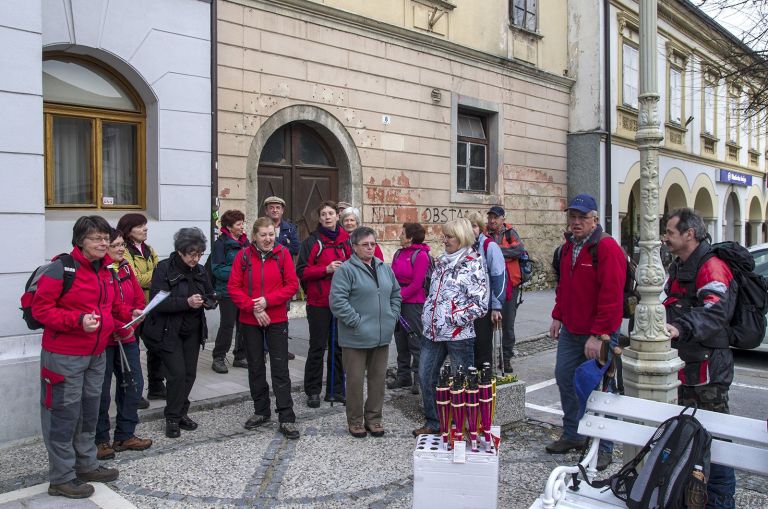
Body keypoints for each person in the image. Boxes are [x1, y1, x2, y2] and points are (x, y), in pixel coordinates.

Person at [33, 216, 137, 499]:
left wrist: (124, 321)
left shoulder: (105, 270)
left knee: (89, 412)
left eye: (106, 238)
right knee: (63, 416)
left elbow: (107, 310)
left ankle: (86, 464)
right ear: (80, 241)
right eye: (96, 238)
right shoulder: (61, 269)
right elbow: (42, 310)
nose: (103, 243)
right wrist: (77, 321)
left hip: (96, 355)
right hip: (64, 356)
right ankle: (61, 478)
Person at [663, 208, 736, 507]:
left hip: (708, 372)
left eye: (670, 232)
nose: (665, 237)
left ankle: (721, 501)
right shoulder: (680, 265)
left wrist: (680, 327)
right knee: (690, 438)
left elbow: (715, 312)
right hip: (689, 367)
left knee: (717, 443)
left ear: (689, 234)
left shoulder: (711, 267)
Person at [547, 194, 625, 472]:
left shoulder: (606, 248)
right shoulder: (569, 247)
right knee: (565, 378)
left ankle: (604, 447)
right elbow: (564, 287)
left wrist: (599, 334)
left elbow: (612, 296)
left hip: (598, 334)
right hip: (572, 329)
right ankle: (574, 434)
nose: (577, 222)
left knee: (601, 389)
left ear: (595, 219)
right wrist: (558, 315)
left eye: (583, 217)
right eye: (573, 216)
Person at [413, 218, 488, 437]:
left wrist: (452, 318)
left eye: (449, 236)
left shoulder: (473, 263)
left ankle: (462, 425)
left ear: (462, 238)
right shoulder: (441, 261)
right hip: (433, 333)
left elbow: (480, 305)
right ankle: (434, 421)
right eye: (444, 236)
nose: (444, 240)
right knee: (425, 376)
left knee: (461, 382)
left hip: (458, 335)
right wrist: (428, 314)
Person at [228, 217, 301, 439]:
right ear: (254, 236)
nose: (268, 239)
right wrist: (254, 307)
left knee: (280, 368)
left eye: (271, 234)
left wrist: (267, 301)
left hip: (276, 319)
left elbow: (292, 285)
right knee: (256, 367)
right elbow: (234, 287)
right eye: (263, 235)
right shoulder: (243, 256)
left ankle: (286, 416)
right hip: (250, 320)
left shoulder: (283, 254)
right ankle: (261, 411)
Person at [141, 228, 217, 439]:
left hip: (193, 331)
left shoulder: (200, 270)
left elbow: (210, 293)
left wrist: (209, 301)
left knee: (190, 374)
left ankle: (182, 412)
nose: (196, 258)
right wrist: (186, 302)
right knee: (177, 374)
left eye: (199, 254)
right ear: (180, 251)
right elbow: (157, 303)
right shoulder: (164, 268)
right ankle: (172, 418)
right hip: (169, 331)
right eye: (191, 254)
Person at [331, 227, 401, 438]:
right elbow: (337, 301)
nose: (370, 248)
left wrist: (391, 316)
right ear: (354, 247)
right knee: (354, 381)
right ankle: (355, 421)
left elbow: (396, 294)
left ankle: (374, 418)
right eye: (365, 244)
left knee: (378, 380)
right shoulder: (346, 270)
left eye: (373, 244)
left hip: (381, 335)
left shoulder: (384, 268)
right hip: (356, 336)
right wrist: (357, 322)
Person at [95, 229, 152, 461]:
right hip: (105, 339)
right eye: (116, 245)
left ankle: (125, 434)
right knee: (101, 391)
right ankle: (100, 439)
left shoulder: (126, 268)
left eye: (122, 245)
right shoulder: (100, 271)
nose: (121, 249)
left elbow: (138, 297)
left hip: (127, 335)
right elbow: (103, 306)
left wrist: (135, 316)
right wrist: (118, 324)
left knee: (133, 384)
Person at [296, 201, 352, 408]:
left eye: (331, 213)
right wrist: (325, 269)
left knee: (339, 348)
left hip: (342, 302)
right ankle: (313, 391)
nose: (327, 217)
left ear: (337, 216)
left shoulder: (348, 241)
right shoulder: (311, 242)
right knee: (317, 347)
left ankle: (335, 390)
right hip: (319, 302)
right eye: (323, 214)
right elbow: (301, 271)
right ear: (319, 218)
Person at [118, 213, 161, 404]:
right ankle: (134, 392)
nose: (145, 229)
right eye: (140, 226)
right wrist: (153, 275)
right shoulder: (124, 251)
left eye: (145, 225)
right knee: (132, 350)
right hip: (132, 309)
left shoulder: (148, 249)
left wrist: (150, 277)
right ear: (128, 230)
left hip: (151, 306)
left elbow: (160, 275)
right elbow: (134, 279)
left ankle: (156, 386)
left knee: (156, 346)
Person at [388, 222, 430, 394]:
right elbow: (391, 276)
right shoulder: (398, 253)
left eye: (402, 233)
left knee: (415, 342)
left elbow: (417, 284)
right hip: (399, 302)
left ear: (410, 237)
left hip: (414, 304)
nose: (400, 236)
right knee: (401, 340)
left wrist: (399, 296)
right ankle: (403, 376)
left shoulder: (421, 256)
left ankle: (419, 379)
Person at [486, 205, 526, 372]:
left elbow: (518, 250)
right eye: (490, 217)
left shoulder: (510, 233)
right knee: (487, 326)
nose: (492, 220)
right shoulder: (484, 234)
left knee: (508, 325)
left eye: (495, 217)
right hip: (489, 285)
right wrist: (504, 253)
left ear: (503, 219)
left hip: (510, 285)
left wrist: (494, 251)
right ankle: (487, 360)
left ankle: (506, 359)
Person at [210, 209, 249, 374]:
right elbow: (217, 269)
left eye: (242, 223)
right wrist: (240, 272)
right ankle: (218, 357)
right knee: (227, 325)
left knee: (244, 324)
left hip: (244, 291)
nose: (242, 227)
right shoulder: (220, 244)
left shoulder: (245, 242)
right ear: (229, 226)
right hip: (227, 292)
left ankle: (240, 356)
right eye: (238, 224)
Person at [468, 212, 506, 367]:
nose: (471, 230)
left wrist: (496, 306)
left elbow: (499, 277)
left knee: (482, 346)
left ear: (480, 228)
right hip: (468, 307)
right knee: (470, 347)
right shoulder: (465, 247)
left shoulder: (489, 246)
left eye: (474, 226)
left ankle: (484, 377)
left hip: (485, 307)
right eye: (468, 226)